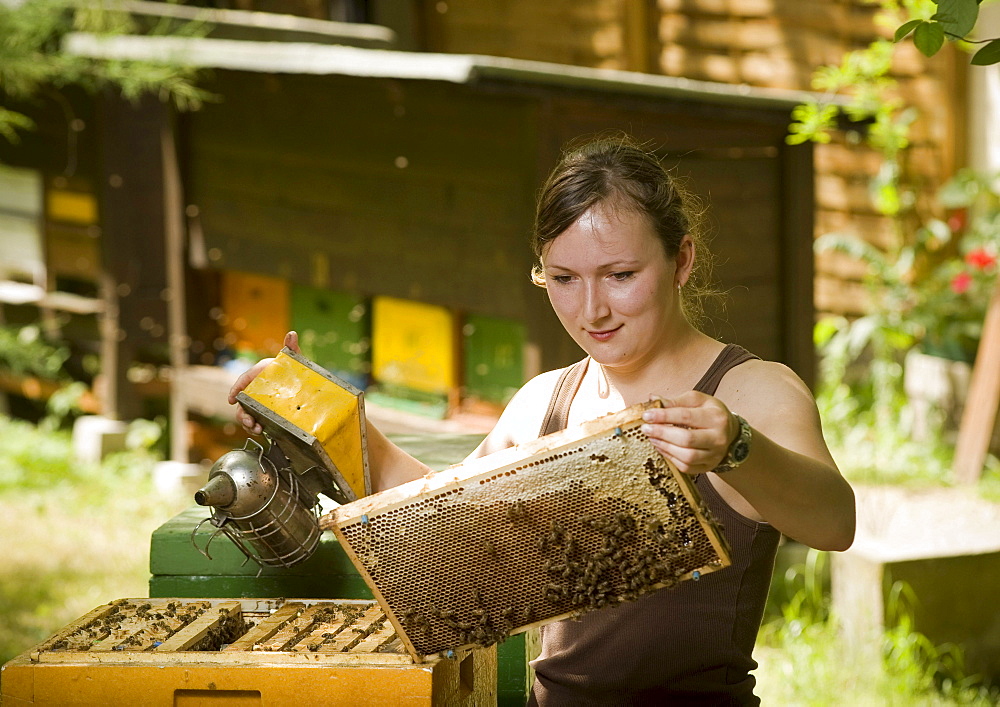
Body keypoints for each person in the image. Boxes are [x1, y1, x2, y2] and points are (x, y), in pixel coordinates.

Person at [229, 134, 856, 705]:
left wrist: (738, 448)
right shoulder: (543, 401)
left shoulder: (751, 390)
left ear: (682, 261)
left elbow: (835, 522)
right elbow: (445, 537)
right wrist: (330, 421)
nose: (592, 308)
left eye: (621, 276)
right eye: (563, 278)